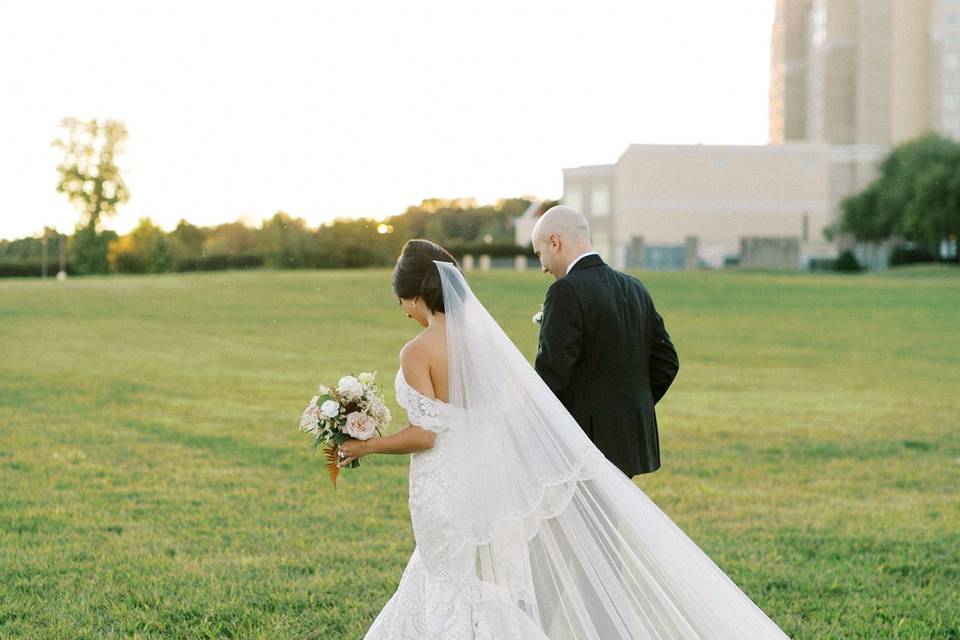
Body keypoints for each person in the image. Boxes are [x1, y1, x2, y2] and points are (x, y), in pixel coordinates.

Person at [338, 239, 791, 639]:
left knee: (444, 579)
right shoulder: (481, 343)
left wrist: (363, 444)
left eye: (402, 301)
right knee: (458, 577)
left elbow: (426, 434)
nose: (404, 311)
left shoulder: (417, 351)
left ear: (413, 294)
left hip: (441, 483)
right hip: (481, 476)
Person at [532, 205, 678, 477]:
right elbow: (667, 362)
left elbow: (552, 377)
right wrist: (627, 412)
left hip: (583, 448)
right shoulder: (635, 287)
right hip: (627, 445)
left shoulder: (565, 291)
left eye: (539, 254)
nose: (542, 266)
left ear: (555, 242)